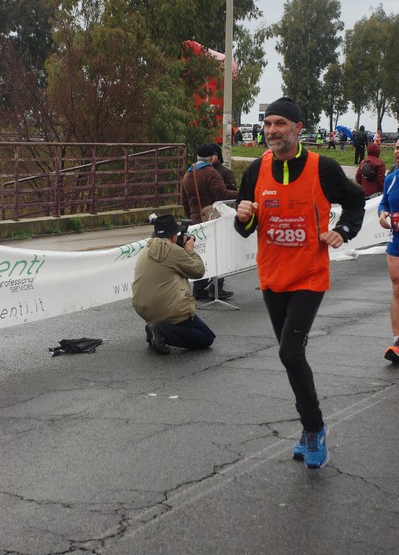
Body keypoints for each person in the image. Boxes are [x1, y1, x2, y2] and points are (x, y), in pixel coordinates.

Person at [234, 97, 365, 469]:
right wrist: (243, 216)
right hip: (272, 277)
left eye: (280, 124)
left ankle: (315, 428)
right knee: (293, 359)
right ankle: (309, 429)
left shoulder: (323, 167)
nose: (272, 130)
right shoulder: (256, 171)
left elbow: (356, 201)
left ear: (298, 128)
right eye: (268, 124)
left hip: (309, 276)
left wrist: (343, 230)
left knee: (289, 354)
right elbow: (244, 227)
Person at [132, 214, 215, 354]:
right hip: (167, 310)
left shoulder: (146, 249)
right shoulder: (173, 251)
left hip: (143, 309)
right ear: (173, 237)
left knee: (198, 331)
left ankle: (157, 327)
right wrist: (190, 250)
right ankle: (160, 331)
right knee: (206, 338)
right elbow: (198, 271)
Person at [181, 143, 238, 300]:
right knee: (217, 252)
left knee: (201, 254)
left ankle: (199, 289)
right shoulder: (211, 173)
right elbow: (221, 194)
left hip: (195, 221)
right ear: (212, 157)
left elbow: (184, 201)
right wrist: (241, 194)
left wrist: (192, 217)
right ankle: (216, 288)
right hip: (212, 220)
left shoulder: (187, 174)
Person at [378, 165, 399, 365]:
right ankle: (398, 341)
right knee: (397, 287)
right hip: (397, 239)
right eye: (396, 148)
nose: (398, 151)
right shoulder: (391, 179)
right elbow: (383, 203)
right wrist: (383, 214)